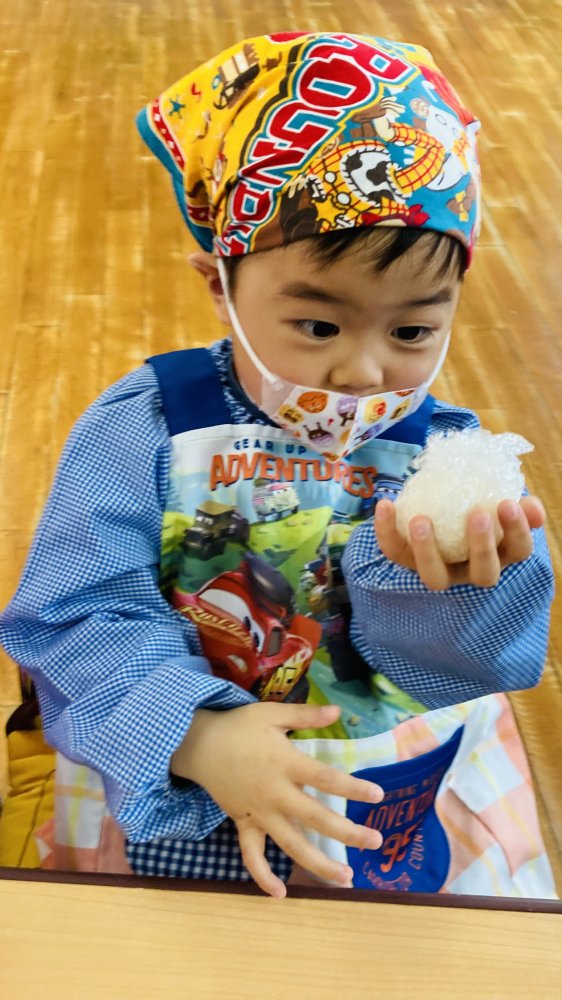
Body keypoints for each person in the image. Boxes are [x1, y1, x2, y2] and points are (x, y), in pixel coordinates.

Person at [0, 32, 554, 899]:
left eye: (412, 330)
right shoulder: (148, 427)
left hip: (387, 793)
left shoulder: (445, 454)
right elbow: (75, 615)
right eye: (319, 326)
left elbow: (482, 664)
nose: (363, 372)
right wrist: (194, 733)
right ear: (219, 286)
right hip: (171, 777)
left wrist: (448, 592)